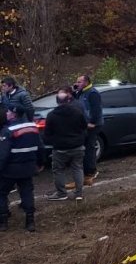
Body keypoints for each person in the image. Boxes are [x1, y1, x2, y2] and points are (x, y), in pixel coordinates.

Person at [0, 104, 43, 232]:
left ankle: (3, 222)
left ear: (14, 114)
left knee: (1, 193)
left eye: (8, 112)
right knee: (27, 193)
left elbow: (3, 154)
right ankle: (30, 221)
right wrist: (40, 163)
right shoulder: (33, 127)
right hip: (28, 168)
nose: (6, 113)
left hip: (10, 170)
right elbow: (40, 147)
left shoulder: (8, 130)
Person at [46, 87, 87, 201]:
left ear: (57, 101)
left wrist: (53, 142)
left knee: (58, 170)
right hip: (77, 145)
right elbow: (84, 126)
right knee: (78, 168)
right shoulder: (77, 112)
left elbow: (47, 134)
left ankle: (61, 193)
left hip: (60, 148)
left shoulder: (51, 115)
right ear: (68, 100)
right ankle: (79, 193)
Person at [73, 75, 102, 185]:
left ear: (86, 82)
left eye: (79, 82)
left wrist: (92, 123)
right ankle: (86, 170)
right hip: (84, 124)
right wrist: (75, 90)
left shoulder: (92, 93)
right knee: (85, 147)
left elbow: (96, 109)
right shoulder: (81, 92)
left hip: (92, 124)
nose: (77, 83)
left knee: (89, 147)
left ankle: (91, 171)